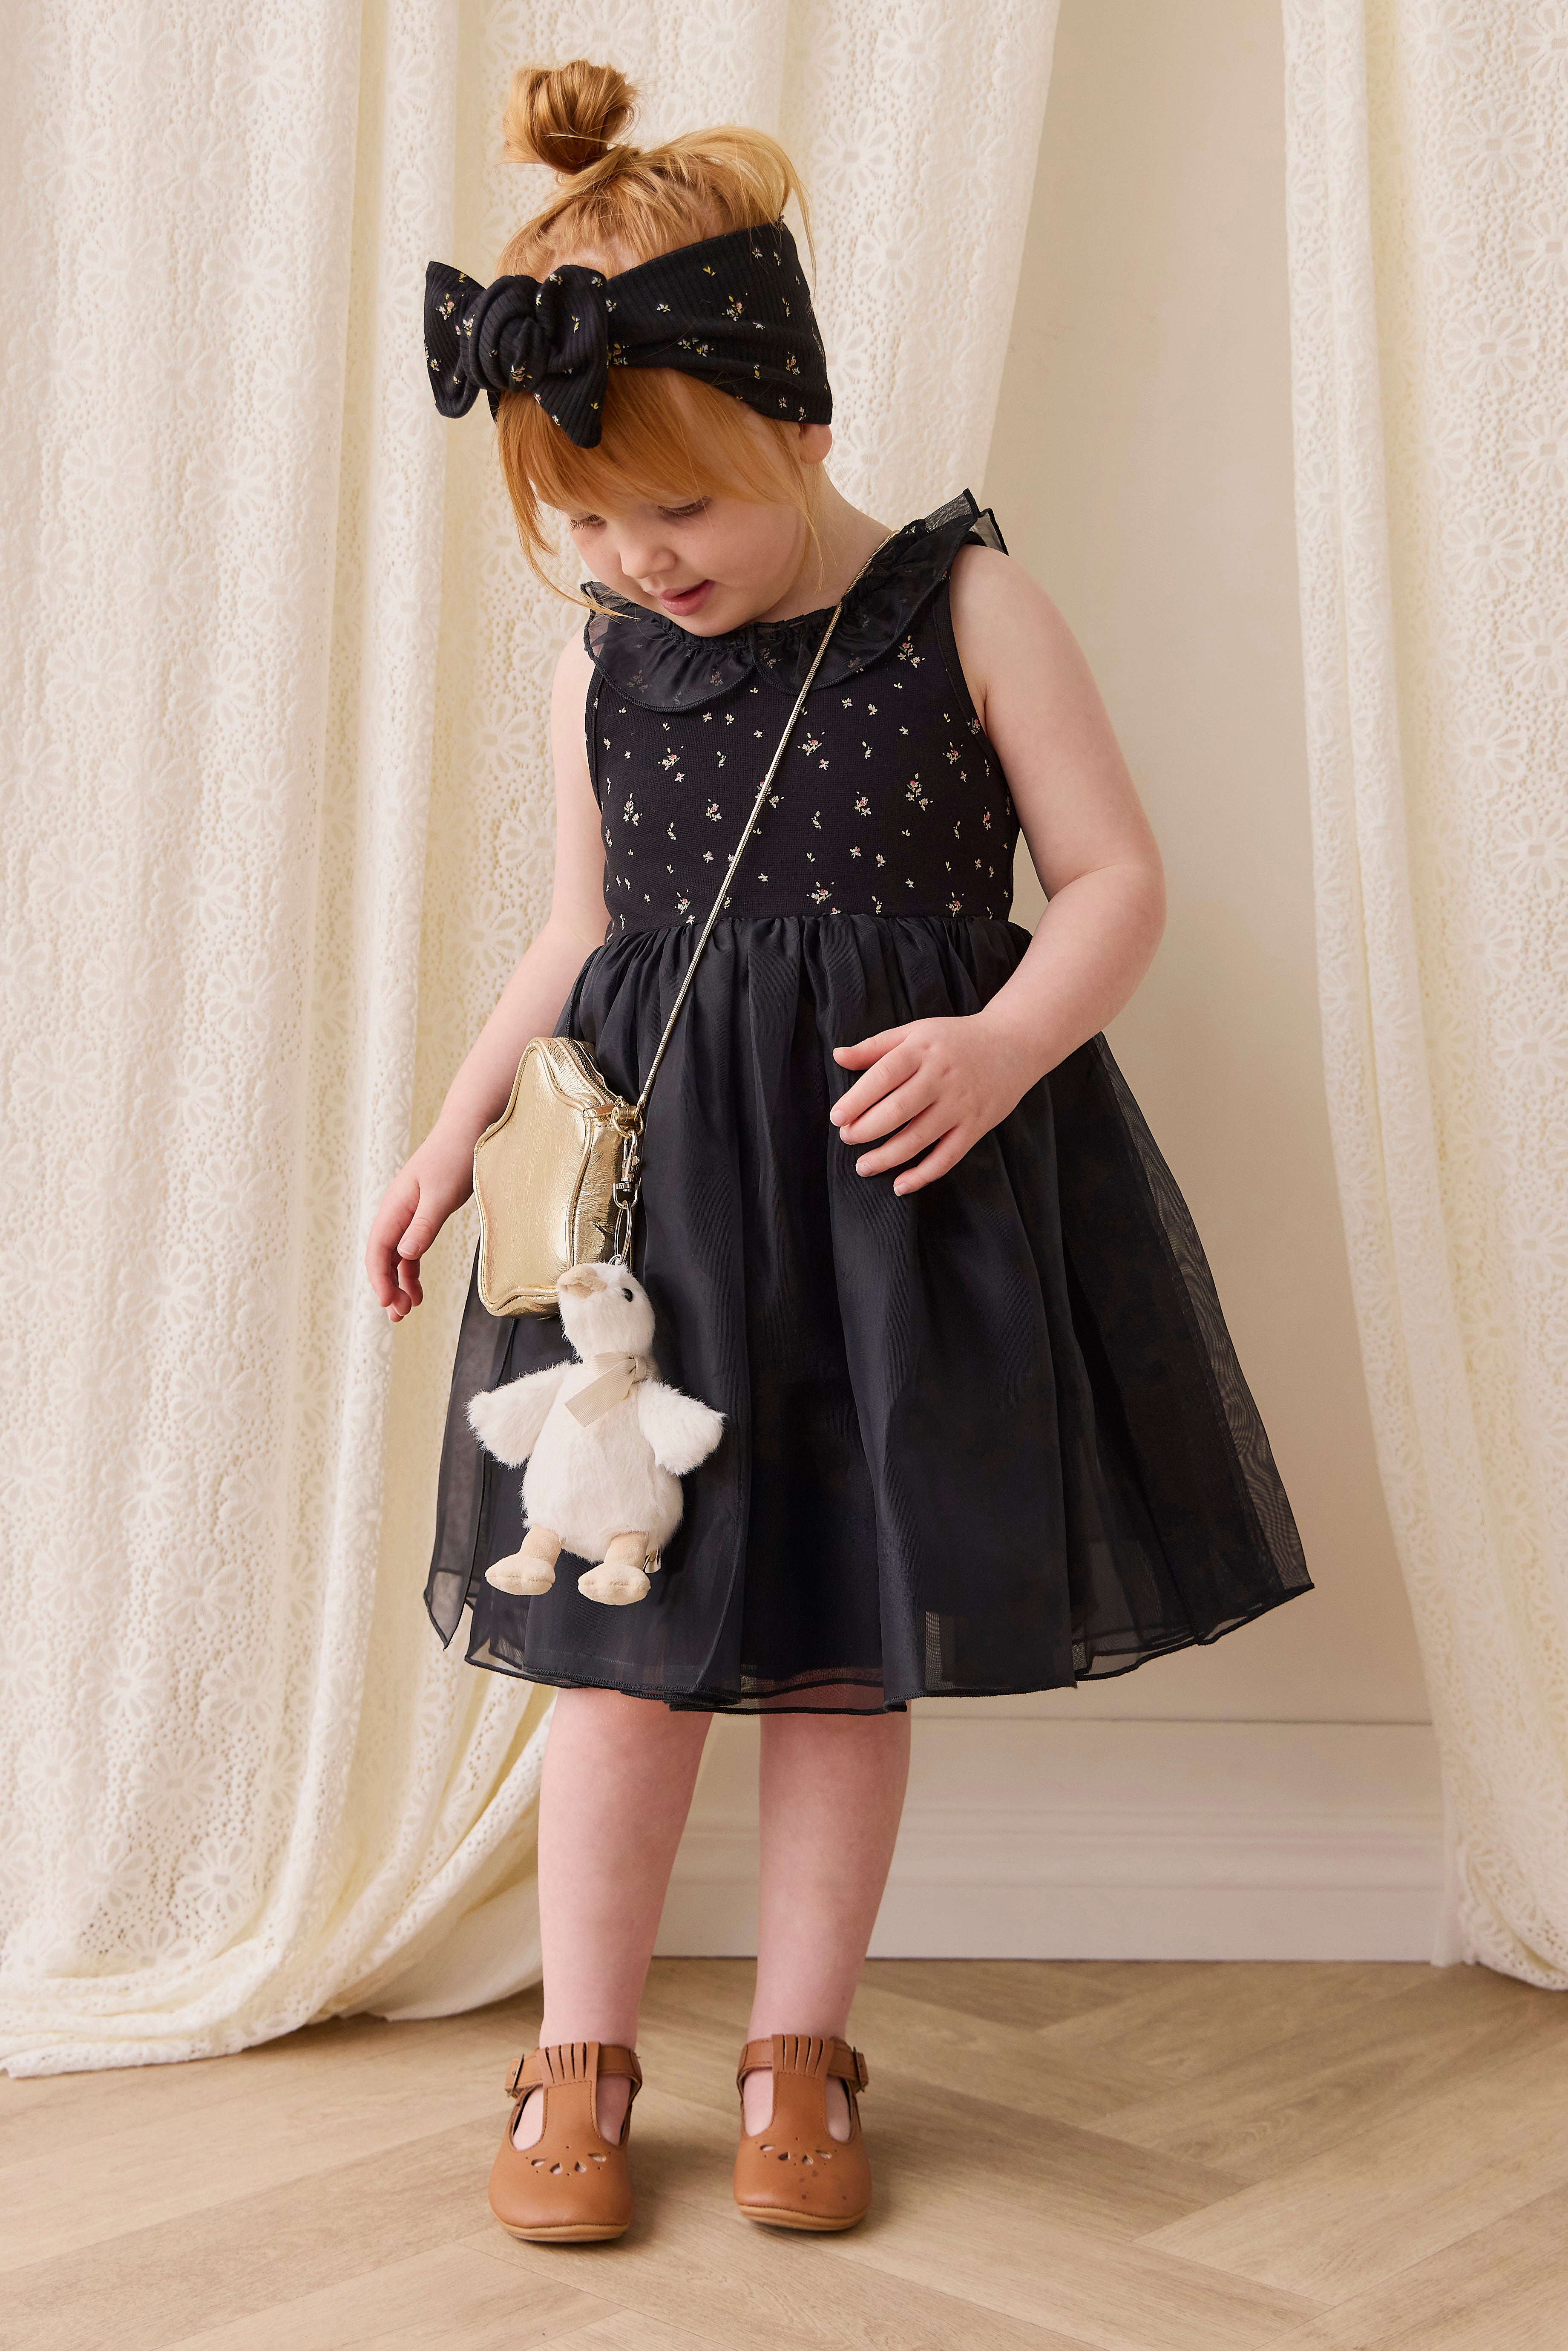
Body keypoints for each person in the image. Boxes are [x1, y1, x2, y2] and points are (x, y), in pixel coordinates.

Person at [366, 57, 1310, 2246]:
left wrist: (997, 1042)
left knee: (834, 1652)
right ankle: (578, 2054)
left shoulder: (970, 608)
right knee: (621, 1644)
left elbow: (1115, 883)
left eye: (676, 512)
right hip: (665, 1235)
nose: (636, 562)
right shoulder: (613, 661)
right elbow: (586, 931)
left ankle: (802, 2041)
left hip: (895, 1201)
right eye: (589, 528)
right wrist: (442, 1143)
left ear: (797, 423)